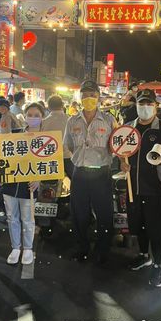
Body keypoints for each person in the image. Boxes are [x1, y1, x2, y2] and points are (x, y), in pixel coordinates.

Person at [121, 89, 161, 288]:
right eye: (141, 103)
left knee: (157, 229)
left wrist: (160, 161)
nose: (145, 107)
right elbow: (121, 152)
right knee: (138, 225)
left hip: (155, 188)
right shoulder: (129, 128)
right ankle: (144, 256)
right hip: (133, 187)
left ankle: (157, 265)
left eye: (149, 104)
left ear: (155, 106)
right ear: (136, 105)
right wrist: (122, 162)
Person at [64, 80, 116, 265]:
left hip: (101, 174)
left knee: (104, 214)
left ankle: (103, 250)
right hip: (79, 173)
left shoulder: (109, 120)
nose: (88, 98)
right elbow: (69, 145)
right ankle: (82, 248)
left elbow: (117, 145)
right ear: (80, 97)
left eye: (92, 95)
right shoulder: (72, 121)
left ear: (98, 97)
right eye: (85, 95)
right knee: (79, 214)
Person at [2, 103, 44, 265]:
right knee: (12, 217)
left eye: (36, 115)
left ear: (42, 117)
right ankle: (15, 247)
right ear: (25, 116)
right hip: (11, 183)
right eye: (30, 114)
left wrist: (39, 178)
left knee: (28, 218)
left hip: (30, 186)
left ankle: (27, 248)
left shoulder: (48, 139)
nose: (33, 118)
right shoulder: (15, 135)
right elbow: (6, 158)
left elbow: (50, 163)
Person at [42, 94, 73, 178]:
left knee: (51, 185)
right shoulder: (70, 120)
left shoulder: (44, 122)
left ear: (48, 107)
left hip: (50, 158)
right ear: (62, 105)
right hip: (68, 157)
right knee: (75, 182)